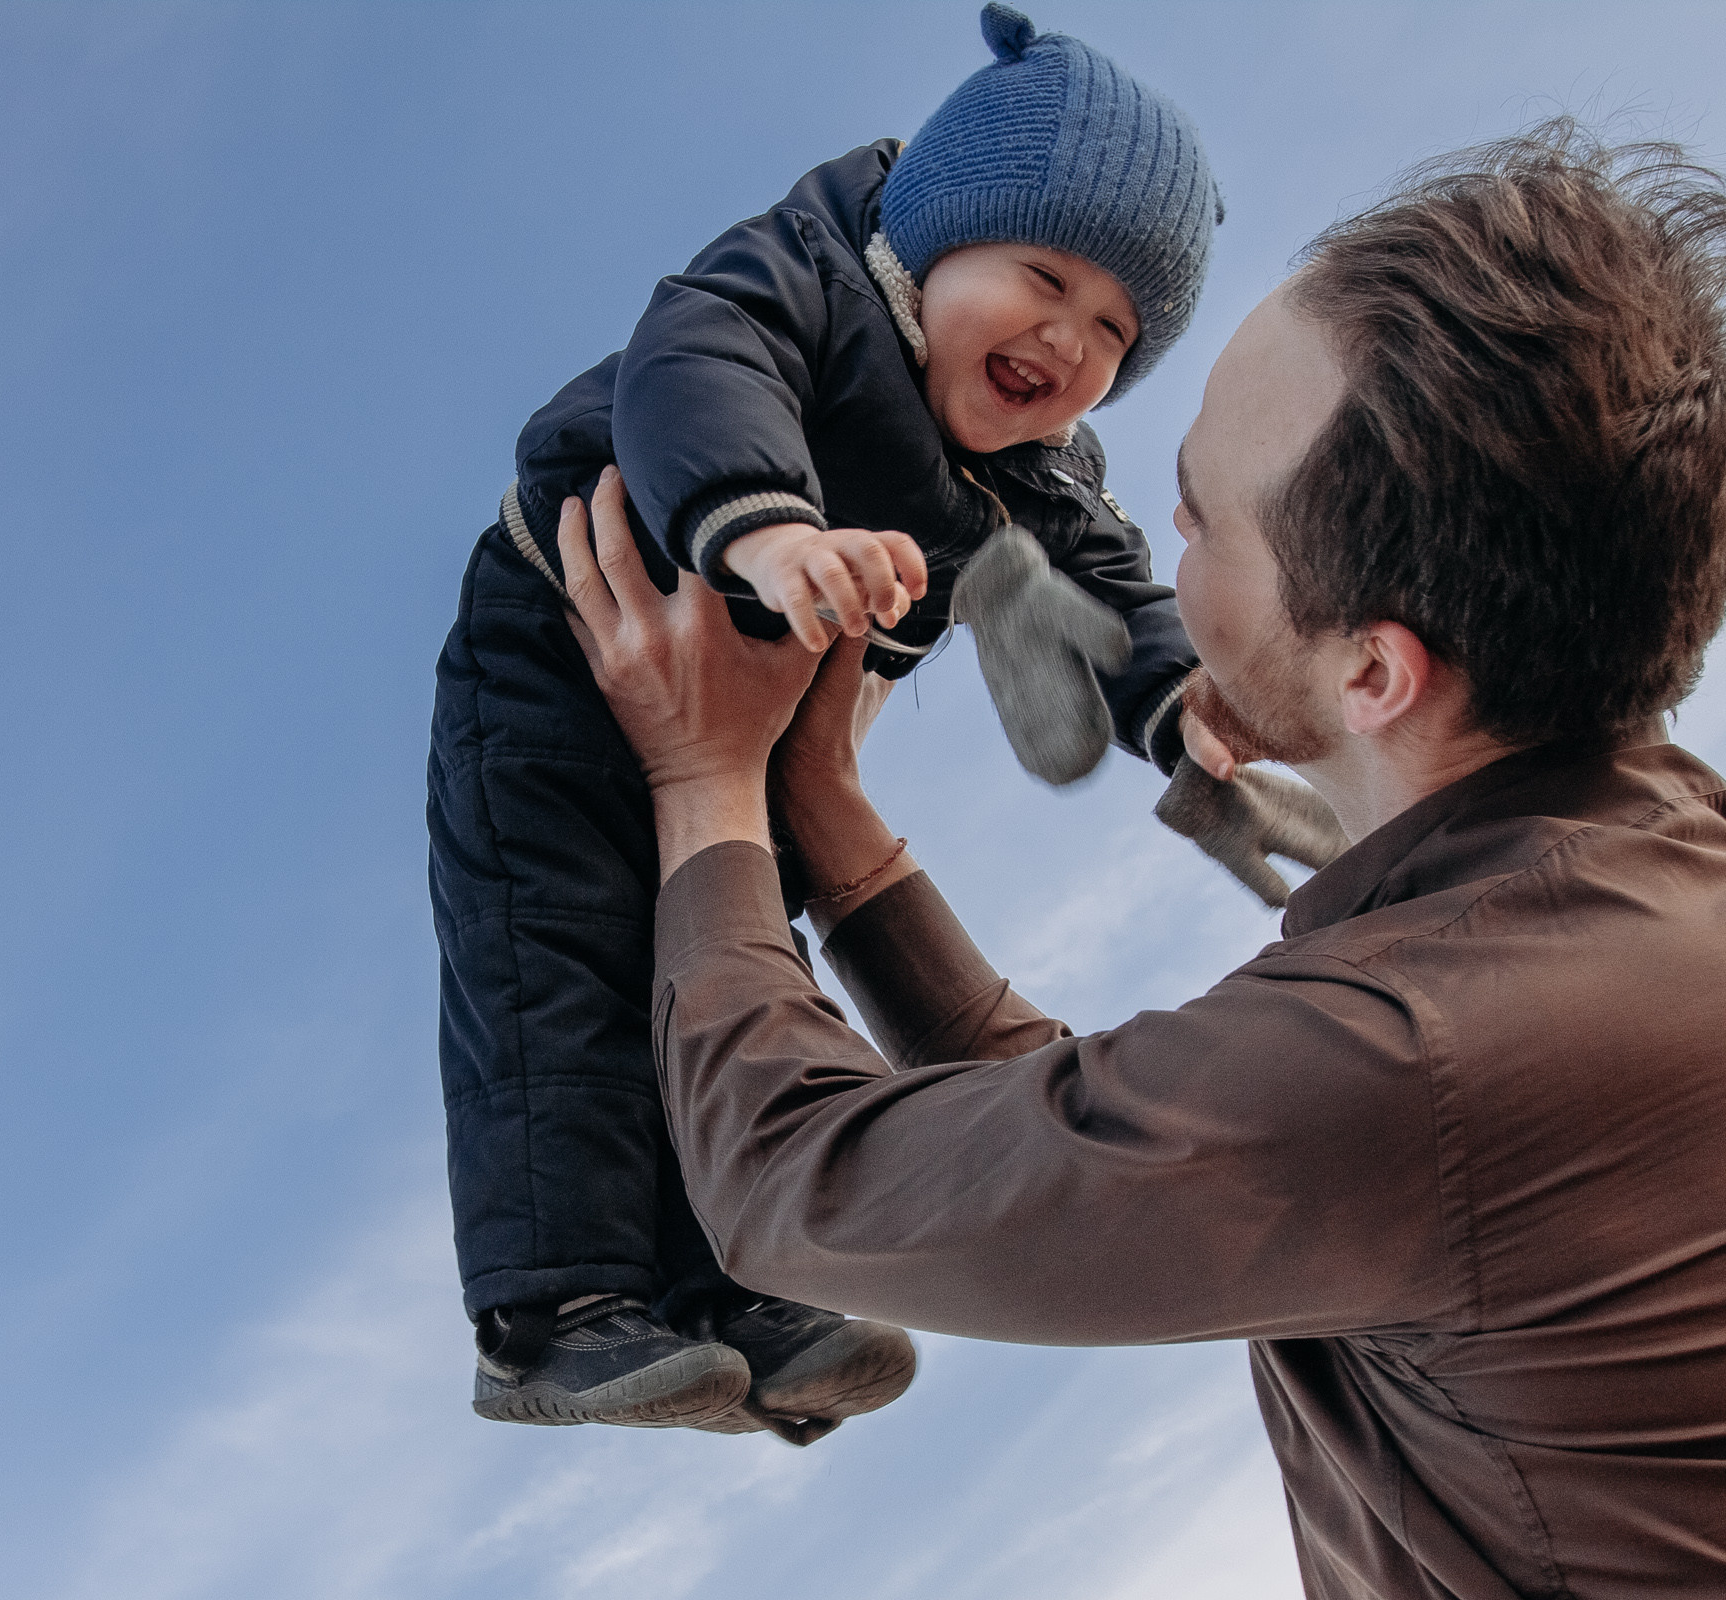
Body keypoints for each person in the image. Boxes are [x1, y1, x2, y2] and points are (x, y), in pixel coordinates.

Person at [560, 124, 1726, 1592]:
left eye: (1207, 521)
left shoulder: (1449, 1050)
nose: (1162, 538)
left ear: (1372, 675)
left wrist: (705, 785)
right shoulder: (1652, 879)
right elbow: (1157, 1142)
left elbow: (792, 1191)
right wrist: (831, 830)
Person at [429, 5, 1240, 1438]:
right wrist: (767, 534)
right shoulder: (800, 278)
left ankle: (731, 1280)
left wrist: (1184, 710)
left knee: (723, 957)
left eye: (1117, 329)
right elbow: (701, 370)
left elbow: (1110, 593)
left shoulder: (1044, 475)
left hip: (757, 712)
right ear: (931, 238)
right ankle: (555, 1307)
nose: (1068, 338)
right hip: (559, 654)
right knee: (555, 952)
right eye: (1042, 277)